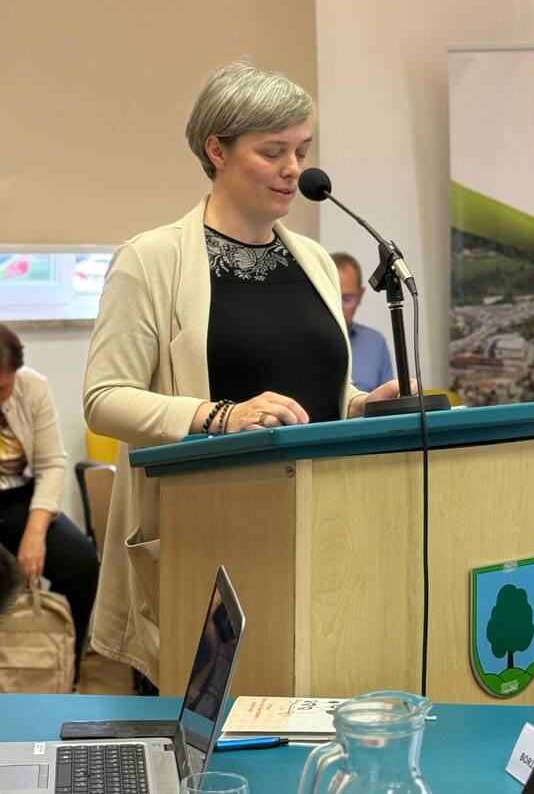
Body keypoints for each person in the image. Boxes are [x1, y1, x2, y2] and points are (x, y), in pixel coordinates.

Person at [83, 62, 407, 688]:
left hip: (322, 535)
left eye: (302, 151)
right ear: (217, 150)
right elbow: (104, 399)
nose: (295, 170)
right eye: (273, 151)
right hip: (208, 543)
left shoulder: (313, 260)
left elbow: (316, 391)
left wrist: (364, 406)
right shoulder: (151, 260)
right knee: (216, 726)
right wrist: (219, 416)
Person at [0, 324, 99, 682]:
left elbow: (51, 465)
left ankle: (62, 674)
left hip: (19, 498)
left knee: (81, 563)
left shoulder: (33, 387)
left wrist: (35, 533)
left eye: (2, 388)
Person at [330, 252, 394, 392]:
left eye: (347, 299)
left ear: (360, 296)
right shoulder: (305, 342)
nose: (339, 308)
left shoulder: (376, 343)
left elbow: (389, 400)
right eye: (332, 298)